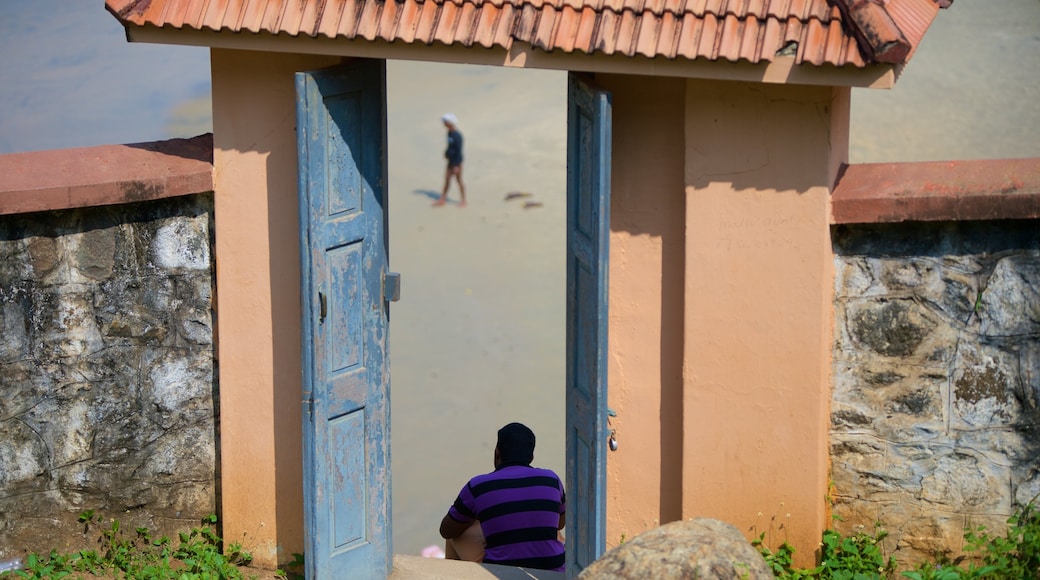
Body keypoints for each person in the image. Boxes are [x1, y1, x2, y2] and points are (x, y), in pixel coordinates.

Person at [439, 422, 566, 572]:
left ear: (497, 452)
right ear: (531, 456)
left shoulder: (478, 486)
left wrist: (480, 515)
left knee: (457, 531)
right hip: (553, 571)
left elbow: (446, 530)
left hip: (501, 573)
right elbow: (560, 524)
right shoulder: (552, 480)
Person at [434, 113, 466, 207]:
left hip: (457, 162)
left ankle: (463, 200)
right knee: (447, 180)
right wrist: (446, 153)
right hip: (450, 161)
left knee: (459, 180)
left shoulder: (457, 135)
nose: (443, 124)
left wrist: (456, 165)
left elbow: (459, 150)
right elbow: (450, 147)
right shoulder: (449, 133)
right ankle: (442, 199)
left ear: (450, 123)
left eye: (445, 122)